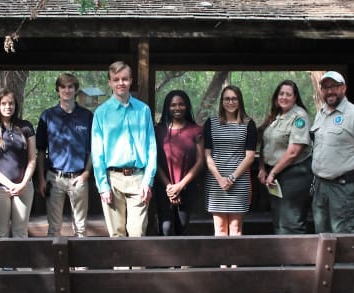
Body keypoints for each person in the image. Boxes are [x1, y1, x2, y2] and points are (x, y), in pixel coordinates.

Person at [0, 88, 36, 293]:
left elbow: (32, 158)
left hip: (24, 186)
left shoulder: (26, 127)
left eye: (11, 103)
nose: (8, 107)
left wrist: (22, 183)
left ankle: (22, 276)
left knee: (21, 232)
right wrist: (7, 184)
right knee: (1, 234)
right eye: (3, 103)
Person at [91, 61, 157, 237]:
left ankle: (137, 266)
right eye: (116, 79)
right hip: (112, 179)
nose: (121, 83)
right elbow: (97, 153)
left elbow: (151, 147)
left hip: (138, 178)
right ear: (110, 82)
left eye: (125, 79)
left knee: (137, 234)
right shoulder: (101, 112)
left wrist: (148, 180)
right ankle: (120, 267)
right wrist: (102, 185)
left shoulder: (143, 110)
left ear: (131, 81)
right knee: (116, 236)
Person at [310, 71, 354, 233]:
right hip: (321, 186)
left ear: (344, 88)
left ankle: (347, 261)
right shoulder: (321, 114)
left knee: (344, 240)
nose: (329, 91)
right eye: (325, 87)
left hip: (345, 188)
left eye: (334, 86)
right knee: (322, 237)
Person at [36, 73, 93, 237]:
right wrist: (41, 179)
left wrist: (86, 173)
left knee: (81, 229)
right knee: (54, 228)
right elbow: (40, 150)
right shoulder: (48, 116)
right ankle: (56, 263)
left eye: (70, 87)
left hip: (79, 177)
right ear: (57, 90)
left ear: (76, 90)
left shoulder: (87, 116)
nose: (66, 90)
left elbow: (93, 149)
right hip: (55, 177)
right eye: (63, 87)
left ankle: (81, 264)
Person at [258, 80, 313, 234]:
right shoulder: (274, 116)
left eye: (288, 94)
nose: (284, 97)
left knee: (291, 222)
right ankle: (282, 257)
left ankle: (296, 258)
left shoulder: (299, 117)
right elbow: (265, 144)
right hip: (274, 175)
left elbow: (294, 151)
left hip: (294, 175)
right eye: (281, 93)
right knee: (279, 219)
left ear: (295, 97)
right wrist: (262, 168)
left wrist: (273, 172)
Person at [204, 85, 257, 237]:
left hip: (239, 182)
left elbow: (250, 157)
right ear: (221, 102)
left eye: (234, 98)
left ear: (239, 101)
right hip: (216, 182)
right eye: (227, 99)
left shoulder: (248, 124)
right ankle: (222, 262)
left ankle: (234, 262)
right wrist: (220, 179)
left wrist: (232, 178)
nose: (231, 102)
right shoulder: (211, 123)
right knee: (219, 228)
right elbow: (207, 155)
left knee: (235, 229)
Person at [154, 90, 204, 236]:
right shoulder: (158, 130)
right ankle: (164, 259)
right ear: (167, 107)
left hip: (187, 187)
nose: (177, 108)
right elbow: (154, 160)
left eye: (181, 104)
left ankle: (183, 259)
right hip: (163, 187)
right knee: (166, 227)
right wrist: (169, 187)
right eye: (173, 105)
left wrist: (180, 186)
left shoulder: (196, 130)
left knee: (182, 226)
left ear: (187, 106)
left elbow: (200, 161)